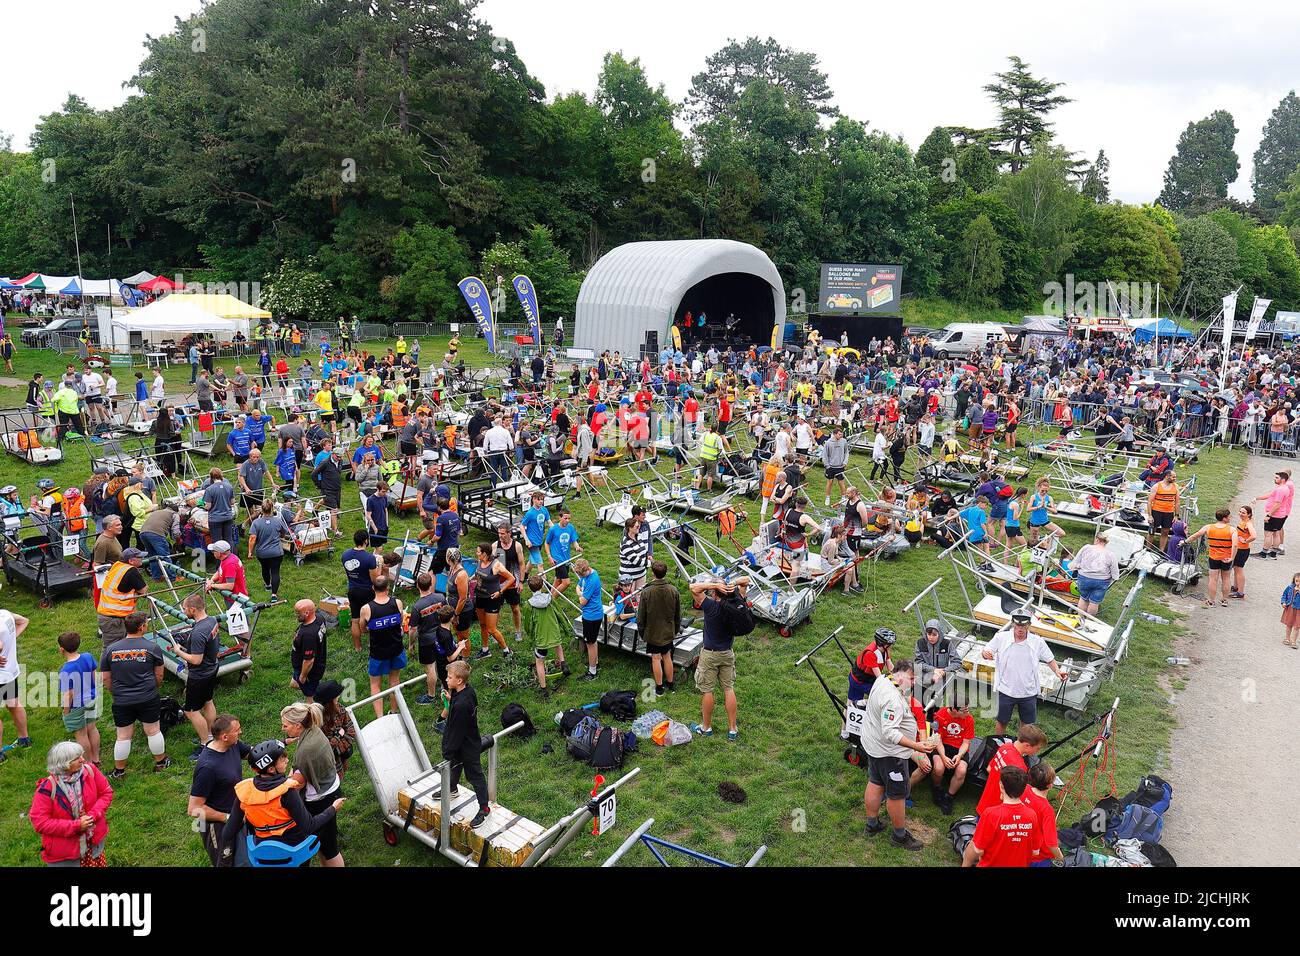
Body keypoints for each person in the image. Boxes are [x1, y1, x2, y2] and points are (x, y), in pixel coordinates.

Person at [219, 739, 343, 864]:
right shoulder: (287, 792)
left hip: (263, 855)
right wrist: (332, 809)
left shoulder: (244, 791)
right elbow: (308, 827)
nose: (287, 761)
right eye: (282, 759)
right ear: (272, 769)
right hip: (294, 853)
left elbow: (227, 833)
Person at [861, 661, 939, 852]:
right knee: (897, 795)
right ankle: (899, 835)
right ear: (900, 674)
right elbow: (891, 733)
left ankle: (872, 824)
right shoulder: (892, 700)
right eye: (911, 679)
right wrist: (917, 746)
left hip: (873, 744)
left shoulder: (883, 679)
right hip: (889, 753)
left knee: (876, 781)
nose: (913, 683)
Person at [100, 612, 172, 778]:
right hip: (147, 697)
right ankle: (161, 762)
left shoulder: (111, 649)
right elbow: (159, 676)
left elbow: (105, 677)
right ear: (141, 627)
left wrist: (115, 691)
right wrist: (152, 688)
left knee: (123, 735)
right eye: (146, 623)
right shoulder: (152, 647)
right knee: (153, 730)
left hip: (121, 699)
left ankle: (119, 771)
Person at [981, 607, 1069, 735]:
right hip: (1006, 690)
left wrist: (1057, 671)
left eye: (1023, 626)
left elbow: (1050, 659)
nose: (1020, 629)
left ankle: (1021, 749)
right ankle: (998, 747)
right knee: (1002, 721)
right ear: (1013, 623)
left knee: (1027, 725)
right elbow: (986, 651)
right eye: (1017, 625)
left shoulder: (1038, 641)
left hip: (1028, 692)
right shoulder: (1000, 637)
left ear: (1029, 625)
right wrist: (985, 654)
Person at [29, 741, 114, 867]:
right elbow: (40, 823)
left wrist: (92, 816)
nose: (82, 760)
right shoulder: (46, 789)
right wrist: (76, 826)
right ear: (64, 764)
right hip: (65, 854)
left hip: (93, 843)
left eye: (81, 755)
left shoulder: (90, 771)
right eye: (76, 758)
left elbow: (106, 793)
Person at [281, 702, 345, 867]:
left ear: (297, 725)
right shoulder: (314, 730)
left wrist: (279, 784)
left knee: (325, 848)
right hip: (331, 790)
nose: (283, 729)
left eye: (285, 725)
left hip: (320, 801)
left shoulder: (305, 751)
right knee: (325, 845)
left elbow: (297, 783)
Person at [688, 575, 750, 741]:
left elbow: (693, 588)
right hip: (727, 653)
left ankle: (706, 727)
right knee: (728, 689)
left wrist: (712, 584)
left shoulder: (710, 606)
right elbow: (746, 579)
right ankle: (732, 729)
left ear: (715, 594)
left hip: (709, 654)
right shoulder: (735, 605)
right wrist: (733, 584)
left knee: (707, 690)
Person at [189, 714, 251, 867]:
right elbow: (194, 809)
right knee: (225, 863)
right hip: (217, 827)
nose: (240, 732)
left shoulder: (233, 744)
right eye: (237, 730)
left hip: (237, 816)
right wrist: (227, 817)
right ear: (224, 737)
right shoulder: (208, 767)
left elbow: (253, 754)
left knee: (245, 861)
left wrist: (278, 747)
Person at [442, 660, 491, 829]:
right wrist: (451, 697)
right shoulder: (467, 692)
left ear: (459, 681)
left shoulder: (462, 705)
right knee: (455, 767)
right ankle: (452, 788)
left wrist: (448, 750)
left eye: (449, 677)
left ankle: (484, 808)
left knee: (474, 776)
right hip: (465, 741)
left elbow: (457, 732)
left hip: (467, 746)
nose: (447, 680)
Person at [961, 765, 1041, 867]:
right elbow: (1035, 851)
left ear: (1001, 786)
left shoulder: (991, 814)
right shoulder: (1032, 815)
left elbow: (977, 849)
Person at [173, 593, 221, 760]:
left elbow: (196, 659)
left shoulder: (198, 631)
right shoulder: (212, 620)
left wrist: (179, 652)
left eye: (185, 608)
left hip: (200, 674)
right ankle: (210, 735)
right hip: (212, 667)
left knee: (191, 711)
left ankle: (205, 744)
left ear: (193, 609)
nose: (184, 611)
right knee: (208, 701)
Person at [973, 723, 1048, 816]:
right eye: (1037, 748)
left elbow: (989, 768)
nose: (1037, 751)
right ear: (1027, 745)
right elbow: (1016, 794)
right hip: (998, 809)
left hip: (986, 800)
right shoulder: (1019, 767)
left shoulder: (1005, 746)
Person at [359, 575, 406, 717]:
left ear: (373, 588)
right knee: (394, 681)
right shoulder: (397, 603)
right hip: (396, 649)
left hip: (378, 652)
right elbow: (400, 621)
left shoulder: (366, 609)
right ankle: (394, 711)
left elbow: (363, 629)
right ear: (388, 587)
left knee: (375, 685)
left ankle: (380, 718)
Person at [58, 631, 101, 764]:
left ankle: (87, 764)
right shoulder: (88, 657)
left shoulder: (66, 670)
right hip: (91, 698)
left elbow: (69, 694)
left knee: (81, 734)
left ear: (61, 649)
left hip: (76, 705)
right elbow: (94, 675)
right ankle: (96, 759)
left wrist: (66, 711)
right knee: (92, 728)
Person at [522, 574, 568, 697]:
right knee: (557, 644)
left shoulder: (528, 605)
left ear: (529, 588)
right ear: (542, 586)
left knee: (539, 662)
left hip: (541, 638)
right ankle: (563, 664)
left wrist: (530, 634)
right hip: (553, 631)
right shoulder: (550, 598)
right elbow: (559, 613)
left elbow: (527, 623)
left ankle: (543, 689)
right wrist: (565, 628)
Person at [95, 547, 149, 646]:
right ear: (131, 561)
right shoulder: (131, 571)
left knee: (120, 647)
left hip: (108, 615)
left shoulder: (117, 565)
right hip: (114, 619)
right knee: (111, 649)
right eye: (139, 557)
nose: (142, 558)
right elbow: (144, 591)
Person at [1185, 508, 1237, 608]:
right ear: (1225, 518)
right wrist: (1232, 557)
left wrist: (1185, 542)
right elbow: (1235, 545)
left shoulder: (1208, 527)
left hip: (1213, 557)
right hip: (1226, 558)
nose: (1230, 518)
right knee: (1226, 578)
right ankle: (1224, 600)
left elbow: (1195, 535)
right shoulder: (1232, 530)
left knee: (1213, 579)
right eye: (1229, 516)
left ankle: (1211, 601)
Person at [930, 701, 975, 815]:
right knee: (939, 768)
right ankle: (937, 788)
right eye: (964, 710)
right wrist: (944, 757)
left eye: (967, 709)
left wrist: (959, 756)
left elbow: (966, 742)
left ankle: (949, 796)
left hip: (959, 747)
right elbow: (937, 739)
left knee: (961, 771)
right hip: (942, 745)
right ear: (954, 710)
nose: (967, 712)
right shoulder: (939, 715)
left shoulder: (969, 719)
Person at [0, 609, 32, 758]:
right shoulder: (5, 614)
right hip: (10, 672)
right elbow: (24, 621)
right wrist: (10, 642)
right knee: (13, 704)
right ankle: (24, 739)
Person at [342, 529, 381, 651]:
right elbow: (375, 580)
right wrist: (379, 566)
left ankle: (357, 647)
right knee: (372, 619)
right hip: (367, 592)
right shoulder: (370, 558)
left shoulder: (345, 555)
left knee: (355, 620)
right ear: (366, 541)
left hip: (352, 590)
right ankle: (372, 644)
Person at [1022, 762, 1063, 865]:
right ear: (1050, 786)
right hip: (1037, 856)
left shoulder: (1024, 789)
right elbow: (1051, 843)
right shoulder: (1046, 810)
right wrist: (1059, 856)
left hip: (1018, 843)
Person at [493, 521, 527, 642]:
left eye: (502, 533)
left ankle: (518, 631)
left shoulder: (517, 546)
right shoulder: (495, 545)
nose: (500, 536)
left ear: (509, 533)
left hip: (513, 583)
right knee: (497, 608)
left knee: (515, 608)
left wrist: (521, 582)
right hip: (500, 583)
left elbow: (522, 564)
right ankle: (495, 632)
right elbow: (493, 565)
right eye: (499, 533)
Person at [1073, 530, 1120, 617]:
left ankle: (1080, 619)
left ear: (1097, 540)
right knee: (1094, 602)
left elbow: (1075, 563)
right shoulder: (1110, 554)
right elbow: (1115, 573)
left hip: (1084, 577)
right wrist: (1114, 578)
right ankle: (1089, 622)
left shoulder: (1086, 548)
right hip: (1102, 580)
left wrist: (1080, 567)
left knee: (1083, 598)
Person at [914, 619, 955, 713]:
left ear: (939, 634)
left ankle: (931, 724)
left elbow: (957, 662)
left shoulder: (947, 644)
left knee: (934, 710)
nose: (931, 637)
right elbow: (918, 662)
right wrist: (934, 670)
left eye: (934, 635)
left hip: (939, 684)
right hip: (922, 681)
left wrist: (943, 671)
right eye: (929, 634)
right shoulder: (920, 643)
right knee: (917, 708)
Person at [574, 558, 604, 680]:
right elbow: (578, 585)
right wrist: (580, 591)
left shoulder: (592, 580)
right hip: (591, 614)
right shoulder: (588, 574)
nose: (580, 577)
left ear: (586, 569)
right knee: (593, 641)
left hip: (592, 616)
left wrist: (580, 594)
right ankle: (595, 663)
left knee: (590, 643)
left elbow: (583, 601)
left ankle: (592, 672)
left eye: (581, 574)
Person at [544, 508, 581, 596]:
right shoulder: (553, 529)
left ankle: (549, 597)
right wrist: (549, 556)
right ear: (560, 517)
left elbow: (573, 540)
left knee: (558, 580)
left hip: (566, 558)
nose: (567, 520)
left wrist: (577, 547)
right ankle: (553, 599)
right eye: (565, 518)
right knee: (566, 583)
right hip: (558, 559)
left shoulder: (570, 527)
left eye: (569, 518)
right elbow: (546, 543)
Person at [1256, 469, 1293, 558]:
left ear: (1283, 479)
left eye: (1277, 478)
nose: (1275, 479)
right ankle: (1273, 553)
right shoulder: (1286, 488)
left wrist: (1269, 515)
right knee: (1276, 533)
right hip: (1281, 514)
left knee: (1268, 534)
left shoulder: (1280, 489)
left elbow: (1277, 504)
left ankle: (1263, 553)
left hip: (1275, 515)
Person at [1147, 470, 1181, 554]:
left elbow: (1177, 502)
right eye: (1173, 477)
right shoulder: (1156, 486)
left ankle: (1161, 551)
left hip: (1169, 512)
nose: (1174, 478)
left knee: (1165, 532)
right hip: (1156, 511)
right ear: (1167, 476)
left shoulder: (1176, 486)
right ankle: (1148, 549)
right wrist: (1150, 515)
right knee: (1152, 531)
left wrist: (1176, 515)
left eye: (1175, 477)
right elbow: (1149, 501)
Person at [1230, 504, 1255, 600]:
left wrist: (1245, 540)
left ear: (1248, 514)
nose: (1240, 514)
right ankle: (1236, 587)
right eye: (1240, 512)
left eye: (1243, 513)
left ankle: (1240, 592)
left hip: (1242, 550)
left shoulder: (1248, 524)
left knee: (1239, 569)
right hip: (1240, 549)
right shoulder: (1245, 521)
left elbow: (1253, 536)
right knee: (1236, 568)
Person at [1280, 571, 1300, 648]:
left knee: (1297, 626)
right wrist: (1283, 602)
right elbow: (1284, 595)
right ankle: (1287, 638)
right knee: (1289, 624)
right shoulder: (1290, 587)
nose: (1298, 583)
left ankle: (1294, 641)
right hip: (1290, 609)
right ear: (1294, 581)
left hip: (1298, 611)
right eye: (1296, 581)